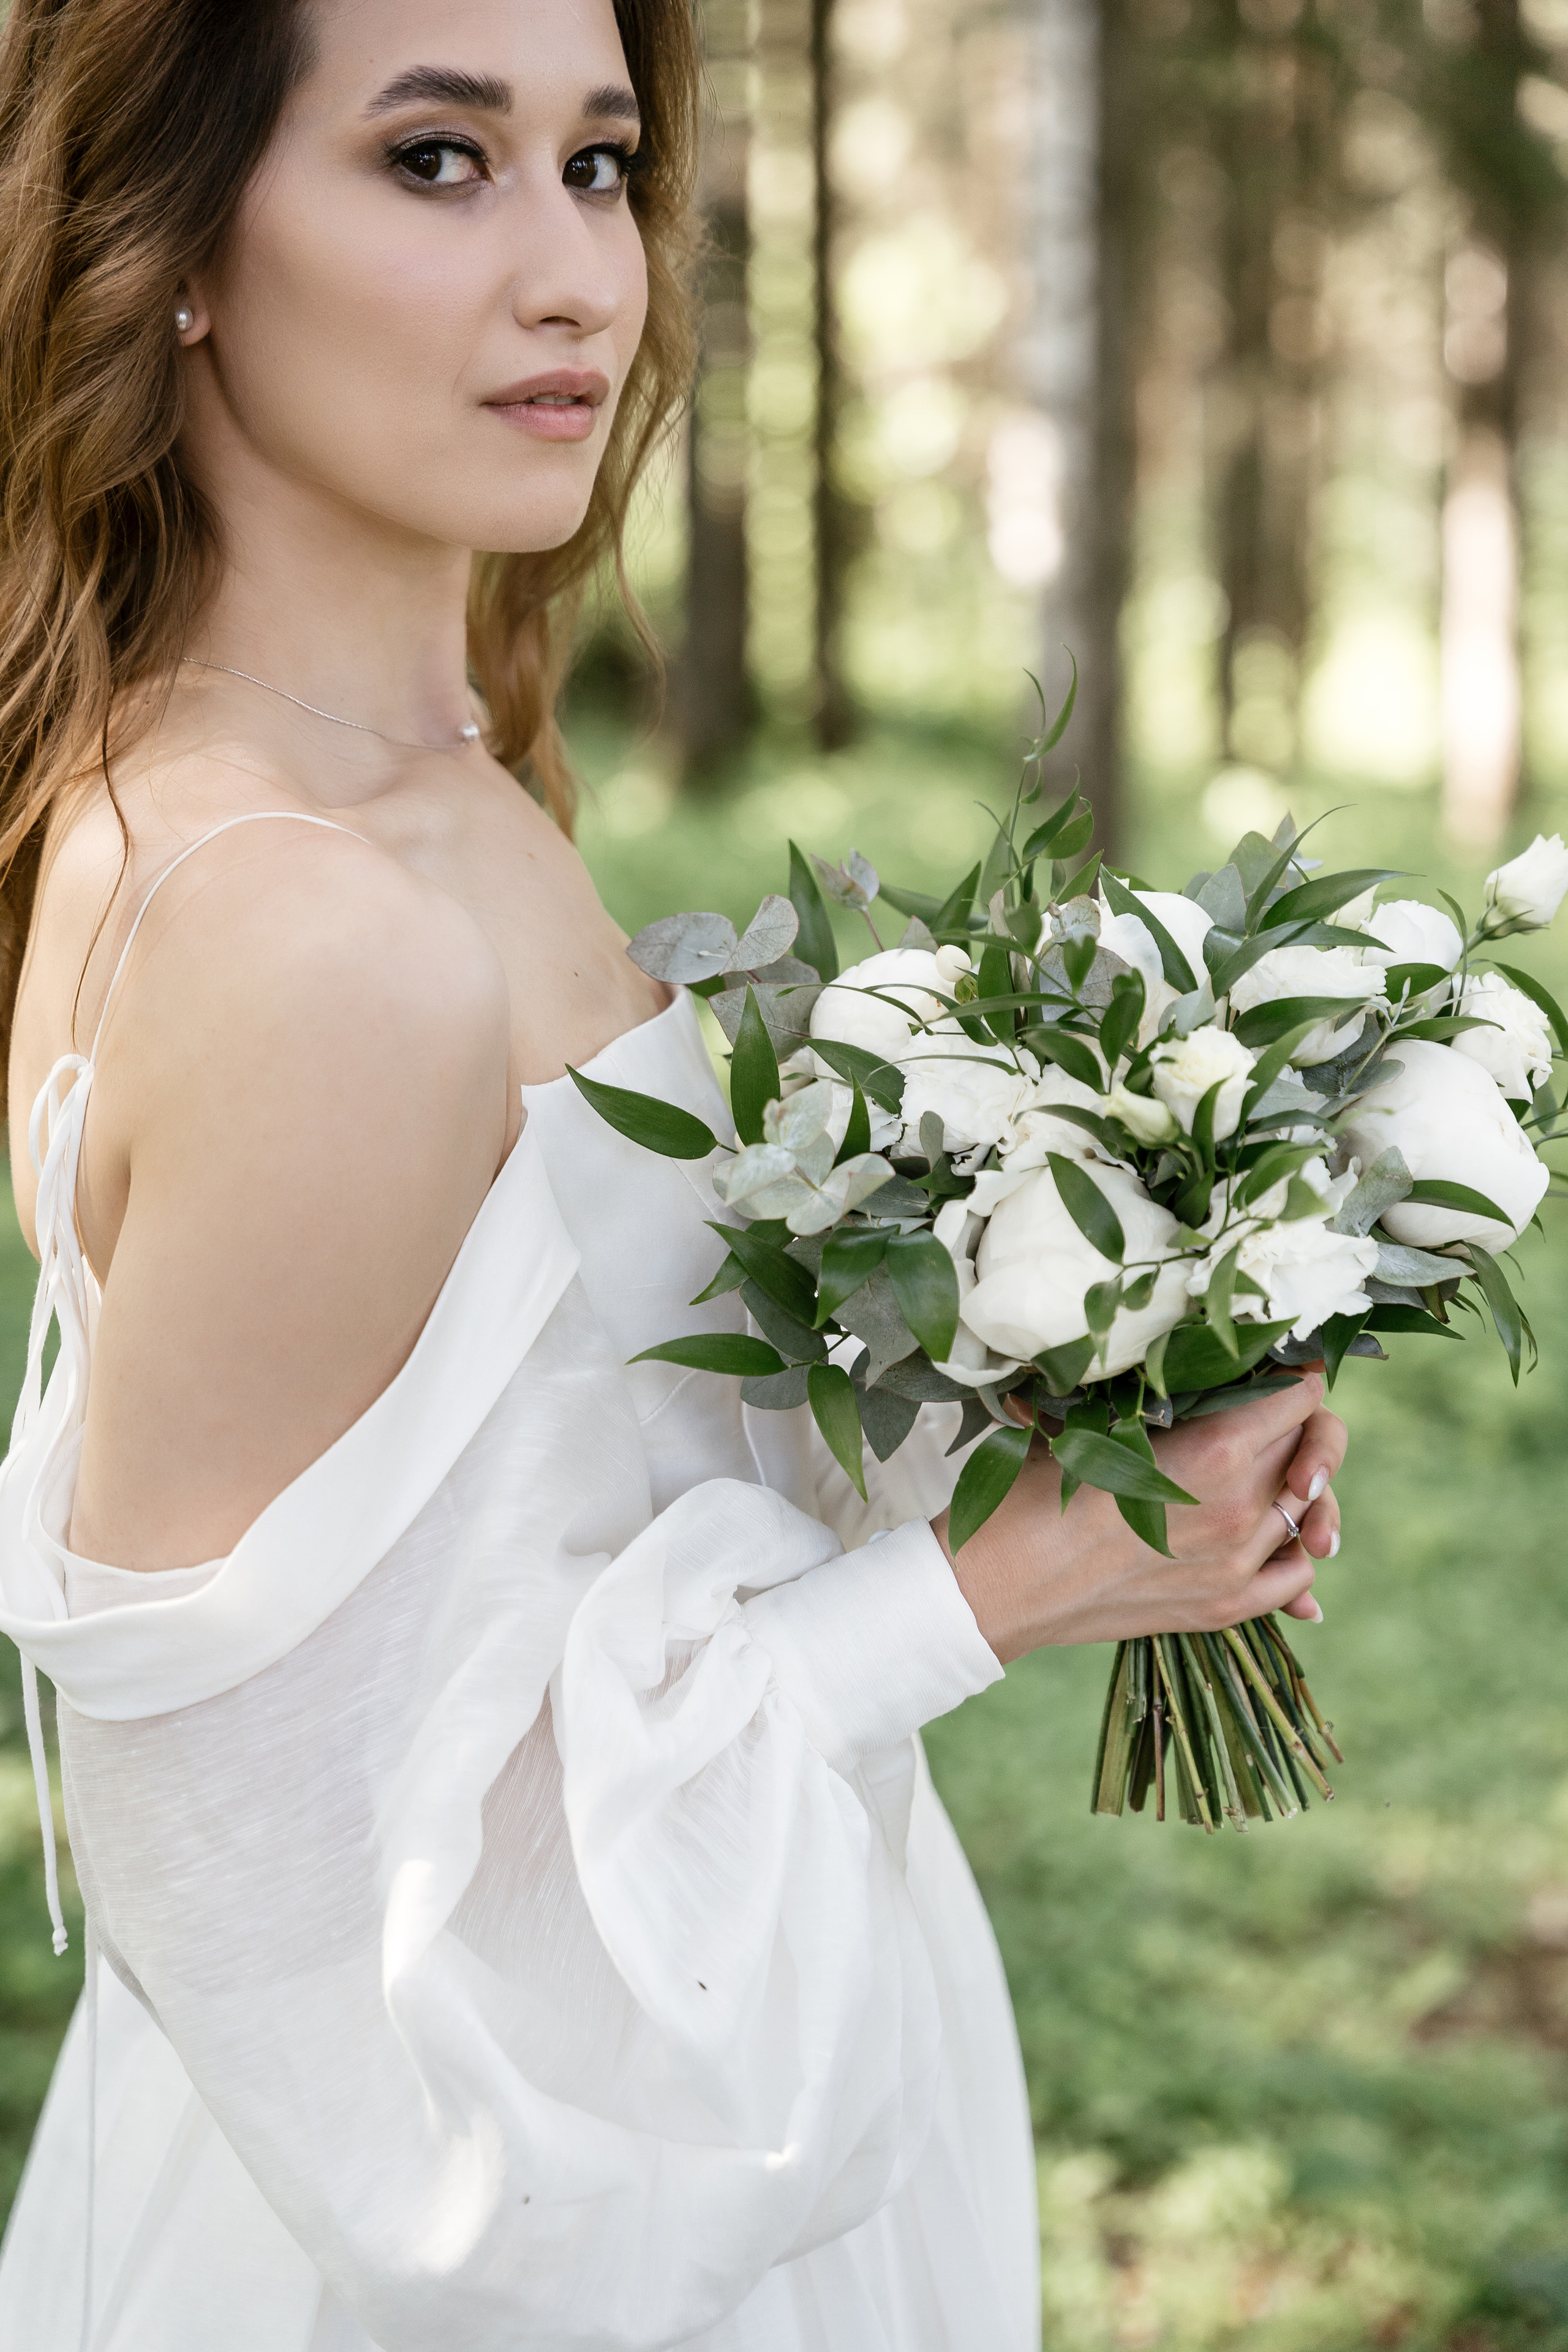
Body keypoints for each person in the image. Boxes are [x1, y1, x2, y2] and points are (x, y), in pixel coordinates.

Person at [0, 2, 1346, 2346]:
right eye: (437, 163)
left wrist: (1063, 1351)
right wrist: (976, 1596)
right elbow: (294, 1922)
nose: (578, 278)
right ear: (176, 244)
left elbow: (542, 1497)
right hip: (513, 2230)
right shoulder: (305, 927)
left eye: (600, 164)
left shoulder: (441, 773)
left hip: (749, 2037)